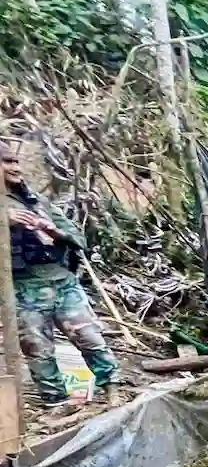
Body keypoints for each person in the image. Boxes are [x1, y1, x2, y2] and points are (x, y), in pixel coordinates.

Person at [4, 146, 121, 408]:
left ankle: (112, 387)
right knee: (37, 348)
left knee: (90, 337)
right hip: (23, 287)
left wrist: (52, 230)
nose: (15, 168)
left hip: (62, 281)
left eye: (16, 161)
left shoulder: (36, 201)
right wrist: (5, 220)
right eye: (7, 162)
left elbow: (77, 238)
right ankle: (56, 402)